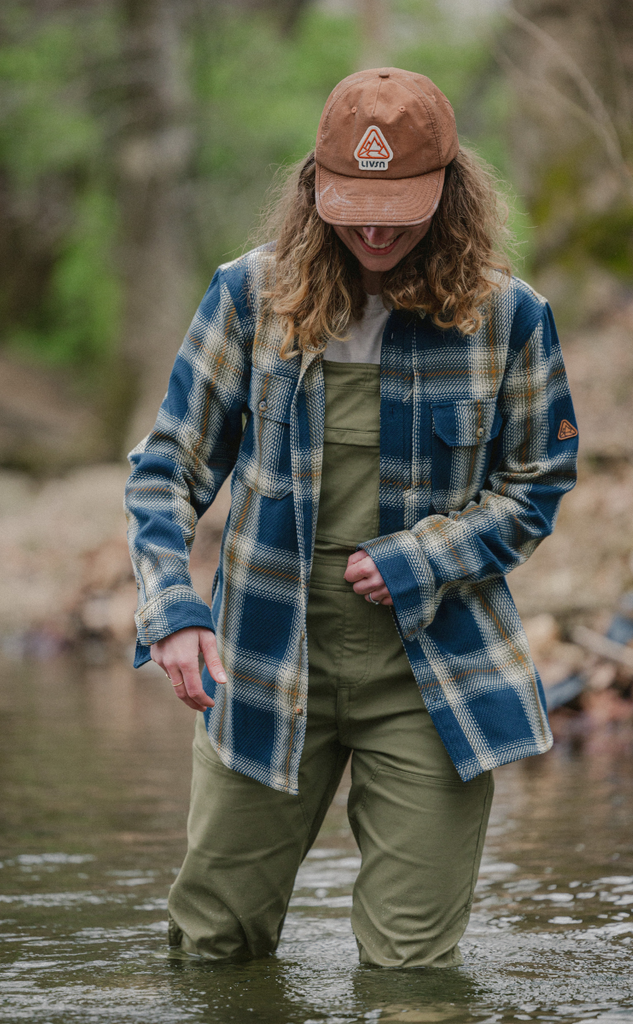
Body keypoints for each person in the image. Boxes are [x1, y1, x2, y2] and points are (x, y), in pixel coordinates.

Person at [124, 67, 578, 968]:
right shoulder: (247, 297)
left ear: (450, 193)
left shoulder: (509, 317)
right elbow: (165, 471)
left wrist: (424, 557)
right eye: (351, 201)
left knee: (412, 971)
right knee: (215, 949)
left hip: (433, 665)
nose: (372, 226)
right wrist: (172, 610)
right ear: (310, 188)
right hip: (263, 651)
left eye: (398, 204)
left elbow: (538, 483)